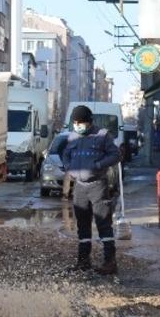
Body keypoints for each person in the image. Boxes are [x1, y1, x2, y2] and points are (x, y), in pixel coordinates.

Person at [58, 105, 122, 275]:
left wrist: (98, 165)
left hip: (98, 186)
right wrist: (68, 168)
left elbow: (116, 155)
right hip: (80, 187)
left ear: (89, 122)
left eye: (81, 122)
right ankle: (83, 260)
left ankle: (110, 261)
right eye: (75, 122)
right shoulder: (72, 137)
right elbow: (65, 155)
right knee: (83, 225)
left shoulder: (102, 136)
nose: (78, 125)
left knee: (103, 223)